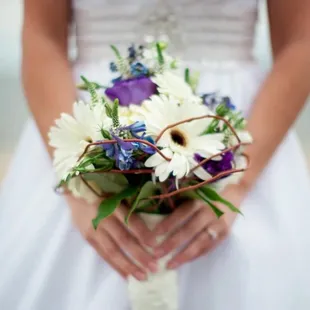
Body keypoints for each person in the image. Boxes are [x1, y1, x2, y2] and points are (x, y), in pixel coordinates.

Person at [1, 0, 310, 309]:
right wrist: (77, 182)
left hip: (238, 131)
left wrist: (239, 178)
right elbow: (42, 36)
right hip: (89, 125)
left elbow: (300, 41)